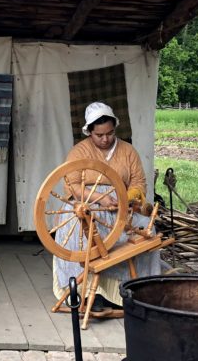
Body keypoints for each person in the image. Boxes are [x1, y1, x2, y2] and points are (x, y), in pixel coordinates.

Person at [52, 102, 162, 312]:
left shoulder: (128, 151)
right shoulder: (79, 151)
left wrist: (124, 198)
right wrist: (100, 198)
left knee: (147, 227)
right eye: (99, 135)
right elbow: (71, 184)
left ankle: (130, 290)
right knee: (73, 225)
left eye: (110, 133)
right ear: (89, 132)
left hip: (122, 209)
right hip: (87, 206)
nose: (105, 139)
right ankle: (80, 291)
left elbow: (139, 183)